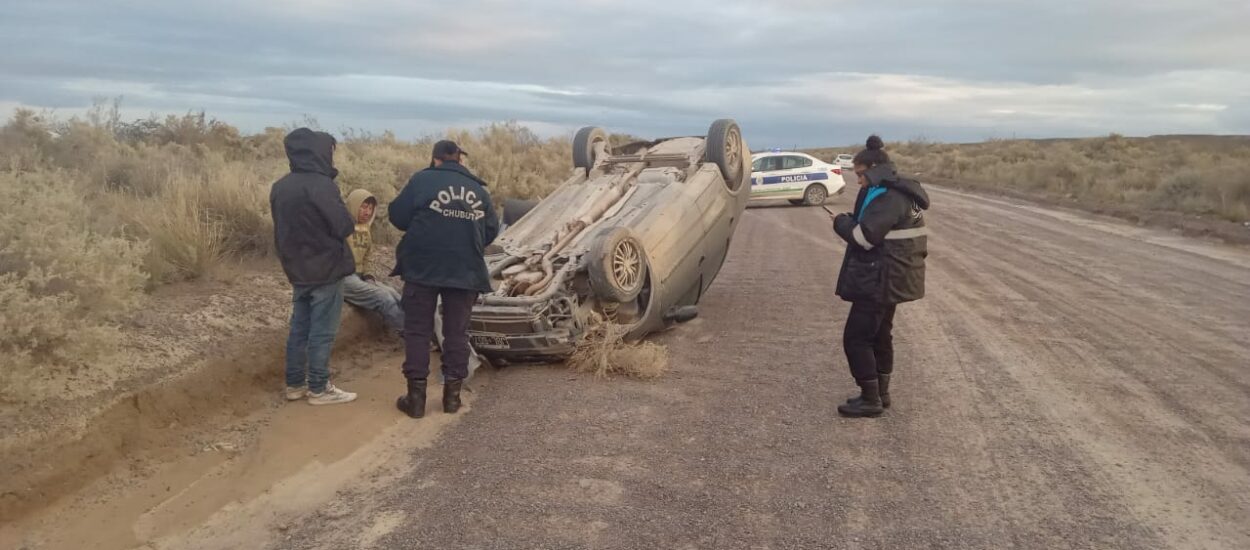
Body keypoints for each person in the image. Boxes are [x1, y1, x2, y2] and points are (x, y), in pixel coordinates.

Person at [389, 140, 499, 419]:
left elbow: (398, 217)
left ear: (435, 159)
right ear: (459, 159)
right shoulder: (478, 189)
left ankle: (415, 401)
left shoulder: (421, 180)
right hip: (465, 270)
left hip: (422, 268)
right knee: (456, 333)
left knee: (417, 331)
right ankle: (452, 398)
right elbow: (490, 231)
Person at [829, 135, 929, 418]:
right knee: (880, 334)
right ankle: (880, 394)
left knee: (856, 338)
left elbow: (864, 238)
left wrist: (841, 223)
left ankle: (870, 398)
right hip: (891, 276)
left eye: (860, 175)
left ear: (874, 168)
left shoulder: (889, 196)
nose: (858, 181)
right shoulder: (896, 192)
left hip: (881, 279)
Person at [270, 128, 358, 406]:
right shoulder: (322, 185)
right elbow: (343, 225)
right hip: (327, 269)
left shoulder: (281, 186)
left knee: (299, 328)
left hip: (297, 269)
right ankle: (319, 388)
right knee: (322, 331)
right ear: (319, 152)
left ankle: (294, 384)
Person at [343, 189, 405, 335]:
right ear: (354, 205)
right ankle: (410, 335)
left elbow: (367, 257)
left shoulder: (365, 229)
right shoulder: (342, 227)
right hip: (343, 277)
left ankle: (419, 331)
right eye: (363, 207)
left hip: (359, 276)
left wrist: (369, 275)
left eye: (370, 208)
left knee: (395, 295)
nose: (367, 212)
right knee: (384, 298)